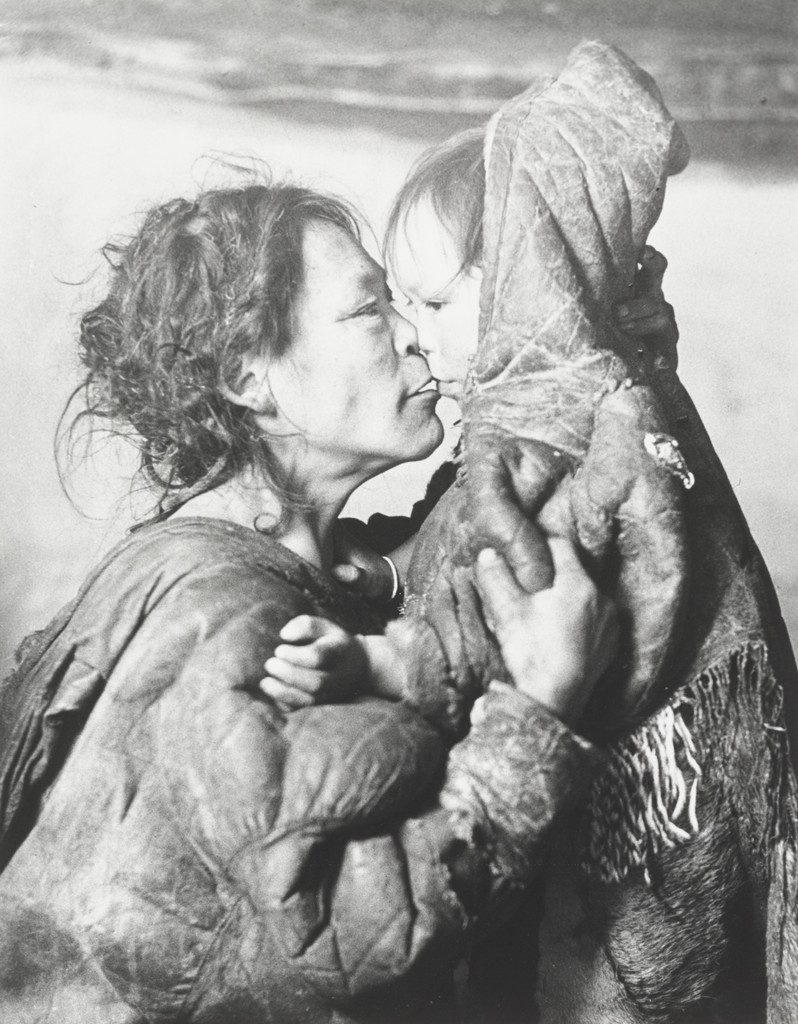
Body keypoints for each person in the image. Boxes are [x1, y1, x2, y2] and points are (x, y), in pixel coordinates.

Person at [0, 182, 618, 1024]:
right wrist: (539, 710)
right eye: (369, 311)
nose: (411, 333)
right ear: (251, 379)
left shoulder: (272, 563)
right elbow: (347, 948)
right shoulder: (228, 610)